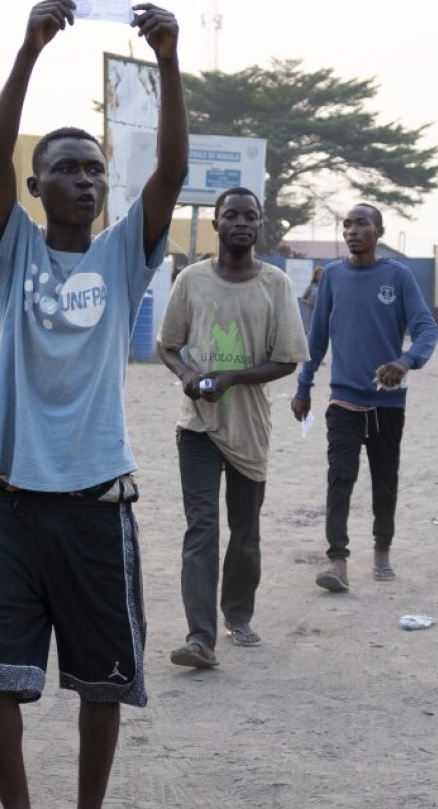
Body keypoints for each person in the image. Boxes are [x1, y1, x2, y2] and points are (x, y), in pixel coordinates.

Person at [0, 0, 187, 809]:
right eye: (65, 168)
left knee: (102, 684)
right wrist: (28, 49)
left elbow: (171, 176)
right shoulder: (12, 251)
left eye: (93, 169)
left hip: (95, 505)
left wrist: (166, 62)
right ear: (36, 185)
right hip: (11, 505)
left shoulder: (125, 257)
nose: (83, 180)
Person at [158, 187, 309, 668]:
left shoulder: (276, 285)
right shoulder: (192, 280)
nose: (241, 222)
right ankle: (200, 637)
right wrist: (187, 376)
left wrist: (231, 378)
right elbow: (168, 345)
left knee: (245, 530)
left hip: (249, 426)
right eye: (231, 215)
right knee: (201, 529)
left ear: (259, 224)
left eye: (250, 216)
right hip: (198, 426)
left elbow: (286, 359)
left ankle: (237, 613)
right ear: (217, 225)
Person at [291, 203, 437, 591]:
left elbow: (425, 330)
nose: (352, 231)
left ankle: (382, 550)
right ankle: (337, 561)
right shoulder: (333, 278)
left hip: (388, 403)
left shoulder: (399, 276)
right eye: (347, 225)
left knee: (385, 480)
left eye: (361, 224)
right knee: (340, 477)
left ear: (379, 232)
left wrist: (405, 362)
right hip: (343, 401)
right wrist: (303, 386)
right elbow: (317, 338)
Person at [299, 264, 323, 334]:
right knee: (313, 331)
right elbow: (303, 298)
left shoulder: (326, 286)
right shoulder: (312, 286)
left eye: (321, 274)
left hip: (323, 312)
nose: (320, 276)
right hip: (313, 312)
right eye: (318, 274)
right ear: (315, 275)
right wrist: (309, 303)